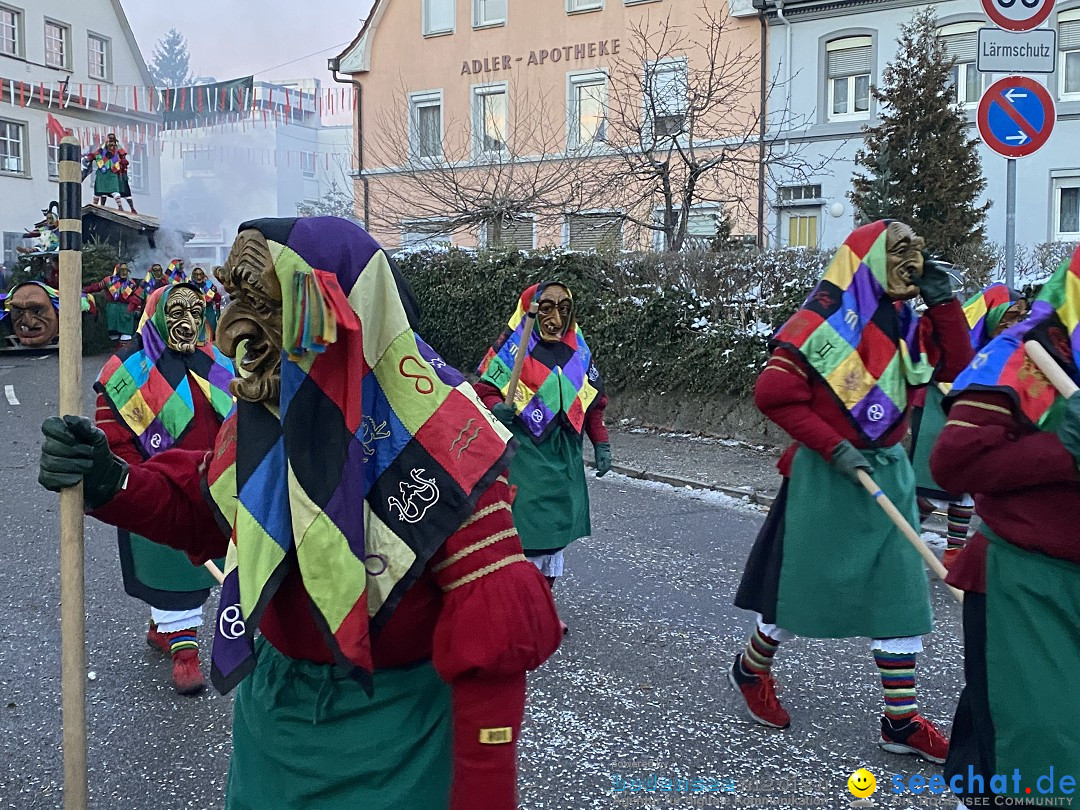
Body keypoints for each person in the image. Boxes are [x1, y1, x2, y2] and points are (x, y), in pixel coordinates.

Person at [38, 216, 562, 810]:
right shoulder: (274, 412)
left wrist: (483, 795)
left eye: (264, 306)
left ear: (339, 312)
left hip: (396, 746)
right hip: (273, 727)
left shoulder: (449, 442)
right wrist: (114, 480)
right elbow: (205, 507)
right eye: (237, 303)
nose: (235, 330)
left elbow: (492, 652)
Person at [729, 220, 973, 763]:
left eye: (917, 250)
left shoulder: (911, 323)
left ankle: (900, 722)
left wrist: (945, 304)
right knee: (799, 596)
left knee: (901, 595)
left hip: (889, 473)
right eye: (900, 252)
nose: (912, 261)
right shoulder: (816, 323)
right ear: (865, 261)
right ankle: (750, 668)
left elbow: (959, 369)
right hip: (827, 476)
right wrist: (832, 446)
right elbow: (773, 395)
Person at [931, 247, 1080, 808]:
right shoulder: (1030, 355)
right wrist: (1066, 450)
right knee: (1038, 760)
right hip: (1027, 586)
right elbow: (955, 462)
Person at [93, 282, 235, 694]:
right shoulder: (127, 370)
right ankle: (185, 653)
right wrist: (134, 482)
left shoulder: (217, 361)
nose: (187, 322)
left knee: (212, 564)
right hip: (159, 490)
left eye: (196, 311)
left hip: (214, 487)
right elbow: (112, 436)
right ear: (156, 316)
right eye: (176, 312)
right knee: (171, 573)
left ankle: (162, 628)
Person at [474, 282, 611, 596]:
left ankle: (542, 605)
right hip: (527, 455)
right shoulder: (513, 348)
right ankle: (524, 605)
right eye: (546, 308)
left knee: (556, 536)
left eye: (564, 309)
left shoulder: (577, 350)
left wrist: (600, 441)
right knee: (529, 533)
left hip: (566, 457)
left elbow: (593, 401)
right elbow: (484, 390)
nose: (556, 319)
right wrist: (496, 406)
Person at [909, 284, 1028, 567]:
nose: (1013, 325)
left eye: (1018, 318)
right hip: (935, 409)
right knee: (932, 489)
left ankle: (954, 552)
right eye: (1008, 317)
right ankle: (903, 537)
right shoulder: (956, 338)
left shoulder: (1004, 345)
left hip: (971, 416)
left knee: (966, 485)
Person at [84, 263, 141, 343]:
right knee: (113, 334)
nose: (124, 272)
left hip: (126, 309)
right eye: (122, 270)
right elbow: (97, 287)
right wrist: (84, 290)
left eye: (126, 270)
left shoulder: (132, 284)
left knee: (126, 337)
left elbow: (136, 297)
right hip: (112, 307)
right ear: (117, 271)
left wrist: (137, 309)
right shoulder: (108, 281)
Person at [84, 133, 136, 213]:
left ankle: (123, 207)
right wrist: (89, 157)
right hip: (103, 171)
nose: (111, 146)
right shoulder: (102, 149)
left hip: (114, 172)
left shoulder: (118, 150)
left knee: (116, 190)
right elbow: (95, 154)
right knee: (100, 191)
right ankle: (98, 206)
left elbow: (124, 160)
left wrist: (122, 163)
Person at [190, 266, 222, 334]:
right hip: (194, 310)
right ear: (193, 275)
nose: (199, 277)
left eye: (200, 274)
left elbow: (216, 295)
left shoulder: (208, 284)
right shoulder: (189, 285)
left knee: (211, 328)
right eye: (196, 274)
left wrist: (218, 311)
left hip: (208, 309)